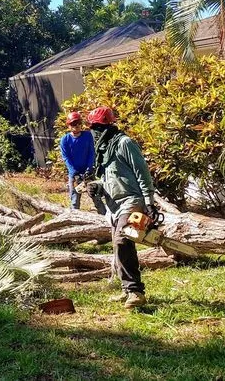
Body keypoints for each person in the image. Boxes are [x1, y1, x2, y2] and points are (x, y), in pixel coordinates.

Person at [86, 106, 157, 309]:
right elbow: (110, 179)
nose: (95, 130)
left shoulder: (124, 143)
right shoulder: (104, 150)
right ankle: (127, 290)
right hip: (114, 205)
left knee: (122, 241)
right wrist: (97, 186)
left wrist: (149, 203)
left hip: (131, 200)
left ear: (108, 126)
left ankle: (136, 291)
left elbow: (142, 173)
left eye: (98, 126)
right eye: (93, 126)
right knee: (118, 247)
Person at [59, 111, 95, 210]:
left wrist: (89, 168)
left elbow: (91, 153)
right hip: (74, 175)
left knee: (97, 198)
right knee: (74, 201)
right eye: (74, 124)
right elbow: (66, 158)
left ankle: (105, 220)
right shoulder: (65, 140)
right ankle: (74, 221)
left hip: (88, 173)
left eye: (79, 123)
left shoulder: (87, 136)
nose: (77, 126)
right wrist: (74, 173)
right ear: (69, 125)